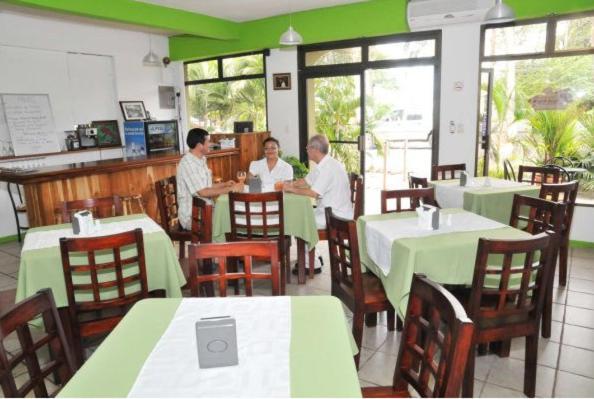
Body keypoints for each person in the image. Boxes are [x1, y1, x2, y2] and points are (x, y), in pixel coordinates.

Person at [177, 128, 242, 230]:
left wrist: (225, 184)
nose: (210, 144)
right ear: (199, 145)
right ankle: (220, 244)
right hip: (193, 216)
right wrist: (231, 189)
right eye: (208, 142)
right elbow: (203, 192)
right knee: (229, 219)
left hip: (206, 209)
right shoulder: (187, 164)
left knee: (233, 216)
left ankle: (225, 243)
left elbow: (207, 186)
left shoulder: (201, 159)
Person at [284, 134, 353, 228]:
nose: (306, 150)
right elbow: (306, 181)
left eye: (307, 148)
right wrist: (288, 184)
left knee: (298, 219)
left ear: (314, 149)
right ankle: (305, 242)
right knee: (298, 214)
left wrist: (291, 189)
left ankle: (304, 242)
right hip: (326, 210)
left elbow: (314, 193)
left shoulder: (328, 167)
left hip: (337, 216)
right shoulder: (323, 164)